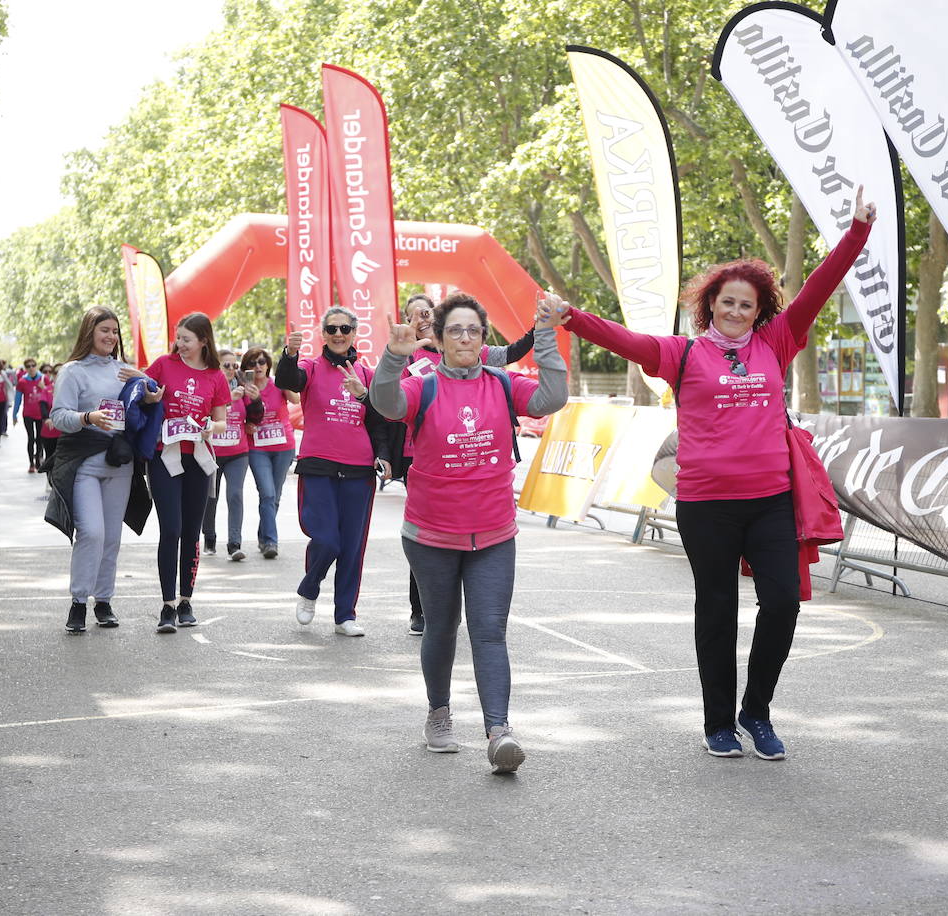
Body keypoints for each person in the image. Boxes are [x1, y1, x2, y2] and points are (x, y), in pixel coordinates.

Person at [552, 186, 878, 761]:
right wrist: (572, 318)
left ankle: (757, 711)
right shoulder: (682, 354)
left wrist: (856, 233)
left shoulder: (778, 343)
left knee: (782, 603)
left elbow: (819, 291)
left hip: (772, 499)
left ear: (760, 312)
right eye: (727, 302)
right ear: (711, 305)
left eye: (746, 305)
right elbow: (626, 341)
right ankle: (718, 722)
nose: (735, 311)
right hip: (706, 507)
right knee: (718, 611)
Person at [370, 291, 568, 773]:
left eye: (473, 330)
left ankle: (499, 732)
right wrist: (393, 358)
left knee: (490, 631)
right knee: (441, 625)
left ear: (484, 338)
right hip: (431, 535)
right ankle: (438, 713)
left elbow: (552, 398)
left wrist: (545, 336)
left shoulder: (502, 383)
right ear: (436, 339)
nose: (465, 337)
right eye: (454, 330)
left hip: (494, 535)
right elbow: (386, 403)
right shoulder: (424, 384)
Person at [391, 293, 536, 636]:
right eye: (417, 315)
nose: (423, 319)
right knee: (430, 534)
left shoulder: (472, 349)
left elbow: (511, 353)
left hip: (471, 460)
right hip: (422, 455)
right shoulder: (407, 354)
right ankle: (422, 609)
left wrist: (538, 330)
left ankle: (443, 610)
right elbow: (388, 402)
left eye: (428, 312)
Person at [276, 307, 393, 637]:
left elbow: (379, 421)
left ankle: (345, 615)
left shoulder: (367, 374)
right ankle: (309, 589)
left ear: (355, 333)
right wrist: (289, 354)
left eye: (345, 328)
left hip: (359, 470)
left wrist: (383, 454)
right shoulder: (310, 367)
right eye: (332, 329)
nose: (338, 334)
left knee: (353, 547)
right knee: (327, 540)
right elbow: (288, 380)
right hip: (319, 465)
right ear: (323, 335)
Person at [48, 307, 159, 632]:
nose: (110, 337)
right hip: (83, 464)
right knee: (92, 533)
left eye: (114, 331)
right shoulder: (72, 372)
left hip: (121, 463)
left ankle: (105, 601)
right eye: (104, 331)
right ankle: (78, 602)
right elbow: (58, 417)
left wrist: (149, 393)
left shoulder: (126, 370)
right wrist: (88, 418)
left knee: (111, 536)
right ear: (89, 333)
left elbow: (145, 405)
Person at [144, 312, 232, 634]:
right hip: (165, 457)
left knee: (192, 532)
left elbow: (221, 420)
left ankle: (185, 601)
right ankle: (167, 605)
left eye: (187, 339)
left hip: (198, 459)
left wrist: (210, 426)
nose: (180, 344)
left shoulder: (215, 375)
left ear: (203, 341)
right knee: (171, 529)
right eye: (178, 337)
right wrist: (149, 396)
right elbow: (141, 393)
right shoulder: (163, 365)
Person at [202, 348, 263, 560]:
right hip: (212, 452)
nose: (231, 369)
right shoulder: (209, 384)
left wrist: (256, 401)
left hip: (238, 452)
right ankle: (209, 537)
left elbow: (256, 418)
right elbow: (203, 414)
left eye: (234, 365)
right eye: (226, 365)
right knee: (211, 497)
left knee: (235, 495)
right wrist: (228, 399)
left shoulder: (242, 386)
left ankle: (234, 544)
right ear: (216, 366)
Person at [241, 346, 297, 560]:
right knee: (267, 493)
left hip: (284, 446)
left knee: (275, 496)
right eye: (253, 363)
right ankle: (271, 541)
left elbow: (296, 400)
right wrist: (246, 425)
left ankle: (264, 536)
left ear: (268, 365)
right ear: (247, 367)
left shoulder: (278, 384)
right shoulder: (244, 388)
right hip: (258, 448)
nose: (258, 366)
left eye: (262, 362)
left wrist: (286, 380)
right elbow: (234, 413)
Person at [17, 362, 48, 473]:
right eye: (28, 366)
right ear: (25, 368)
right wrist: (14, 414)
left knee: (40, 438)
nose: (31, 368)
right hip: (28, 414)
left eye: (33, 365)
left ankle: (38, 461)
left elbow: (51, 394)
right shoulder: (22, 381)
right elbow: (18, 399)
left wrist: (44, 387)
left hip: (41, 414)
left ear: (36, 366)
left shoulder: (44, 379)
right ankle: (31, 463)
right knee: (31, 438)